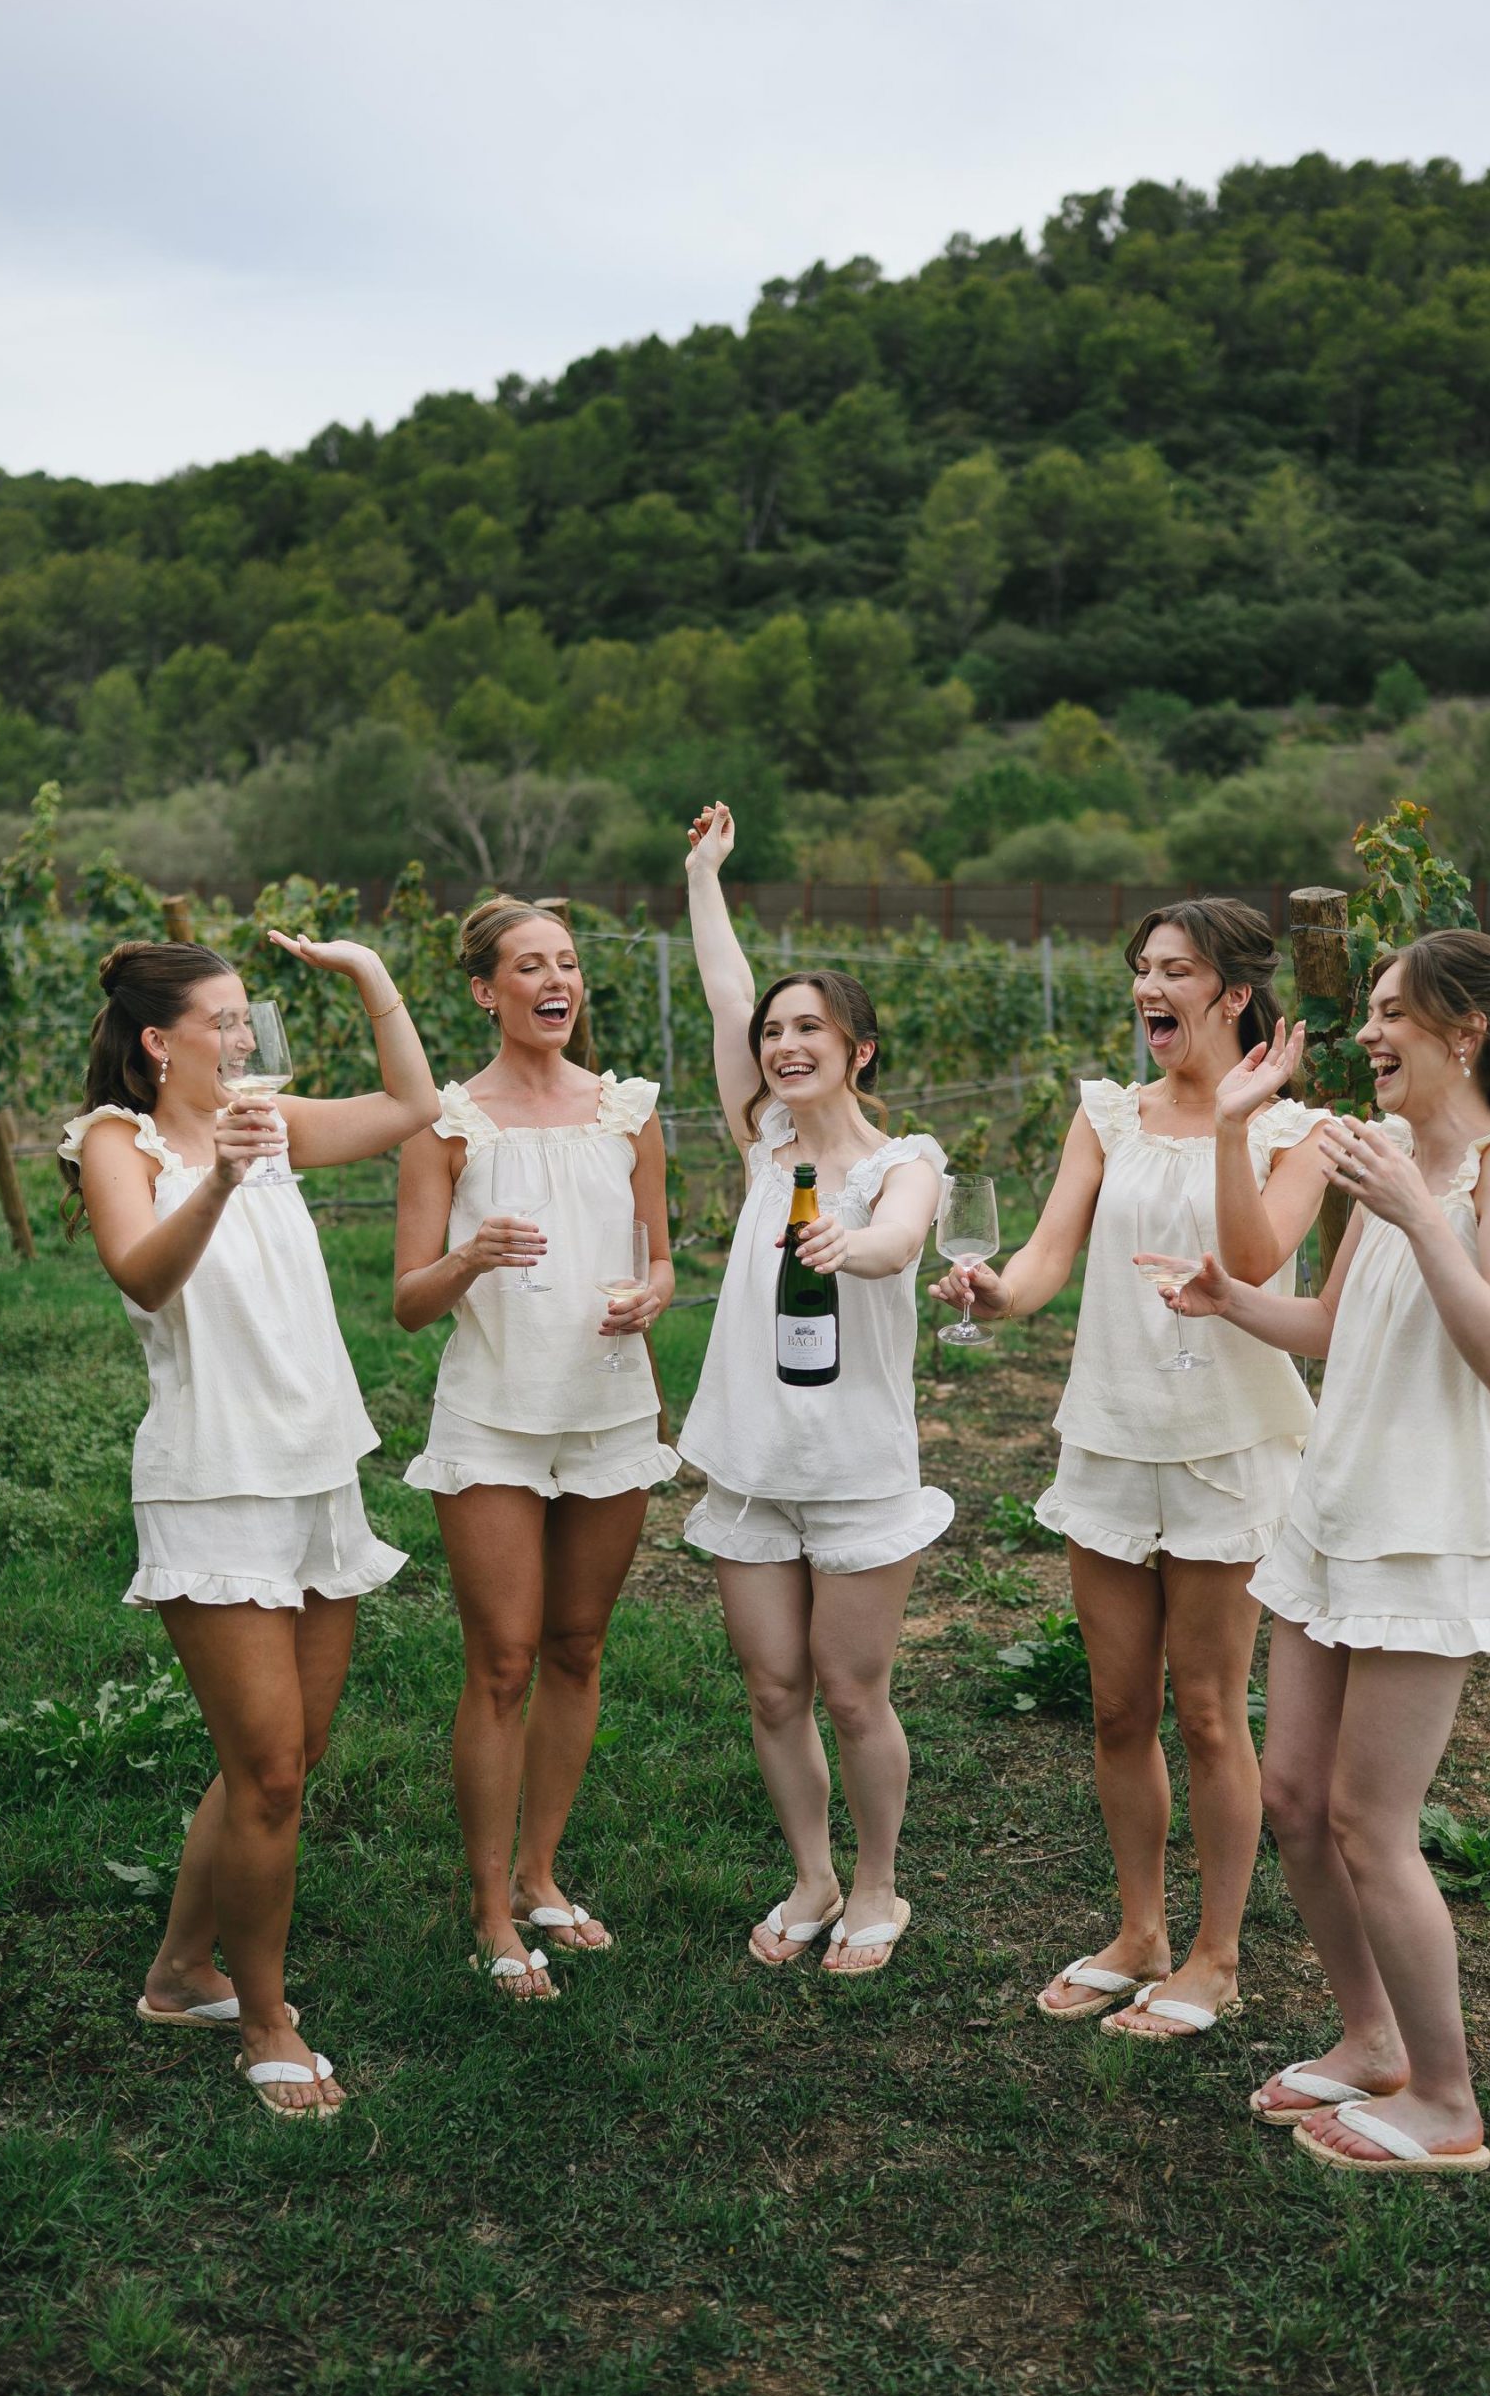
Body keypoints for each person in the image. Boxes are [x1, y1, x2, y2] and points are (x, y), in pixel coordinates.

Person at [1154, 930, 1490, 2171]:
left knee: (1371, 1823)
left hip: (1429, 1524)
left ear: (1467, 1033)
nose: (1370, 1033)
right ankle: (1371, 2039)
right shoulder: (1388, 1158)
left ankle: (1447, 2105)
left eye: (1396, 1012)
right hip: (1336, 1509)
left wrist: (1416, 1213)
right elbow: (1334, 1326)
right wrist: (1233, 1300)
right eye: (1372, 1010)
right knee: (1294, 1801)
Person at [931, 901, 1329, 2038]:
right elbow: (1049, 1253)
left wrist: (1229, 1125)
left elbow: (1255, 1262)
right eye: (1142, 970)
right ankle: (1139, 1930)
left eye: (1177, 971)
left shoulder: (1291, 1130)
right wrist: (997, 1292)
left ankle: (1215, 1953)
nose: (1149, 989)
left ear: (1233, 995)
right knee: (1116, 1711)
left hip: (1225, 1445)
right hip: (1109, 1433)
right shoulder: (1107, 1113)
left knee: (1208, 1712)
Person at [60, 932, 440, 2120]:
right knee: (270, 1770)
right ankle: (266, 2022)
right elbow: (141, 1273)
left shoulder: (269, 1123)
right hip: (212, 1480)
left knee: (283, 1762)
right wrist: (218, 1175)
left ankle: (179, 1973)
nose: (237, 1041)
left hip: (317, 1474)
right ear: (158, 1040)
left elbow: (414, 1104)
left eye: (247, 1022)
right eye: (218, 1023)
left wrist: (370, 974)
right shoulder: (117, 1143)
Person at [679, 804, 950, 1975]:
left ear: (859, 1050)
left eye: (811, 1029)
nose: (785, 1043)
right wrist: (703, 875)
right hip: (751, 1462)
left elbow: (899, 1241)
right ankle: (811, 1874)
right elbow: (724, 983)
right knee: (774, 1686)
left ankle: (880, 1884)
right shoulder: (764, 1142)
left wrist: (856, 1246)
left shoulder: (904, 1162)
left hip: (852, 1467)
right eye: (776, 1030)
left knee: (851, 1690)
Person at [395, 897, 677, 1999]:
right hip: (494, 1417)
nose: (555, 981)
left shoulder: (629, 1110)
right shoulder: (449, 1121)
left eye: (566, 964)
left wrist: (651, 1297)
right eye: (529, 966)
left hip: (608, 1408)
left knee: (577, 1648)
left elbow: (660, 1257)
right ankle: (488, 1911)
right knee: (502, 1660)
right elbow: (411, 1302)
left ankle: (542, 1873)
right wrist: (470, 1258)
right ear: (486, 990)